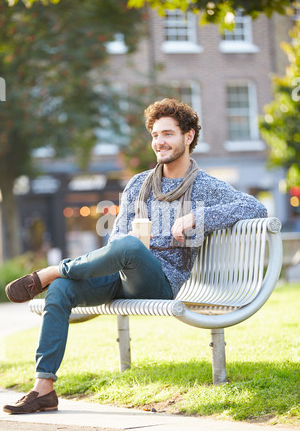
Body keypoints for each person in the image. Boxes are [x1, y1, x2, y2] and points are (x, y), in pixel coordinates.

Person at [3, 98, 267, 414]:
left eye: (167, 134)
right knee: (63, 289)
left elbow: (255, 207)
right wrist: (120, 252)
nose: (159, 142)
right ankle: (43, 388)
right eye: (155, 135)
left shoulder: (206, 187)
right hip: (121, 274)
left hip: (163, 281)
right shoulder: (139, 184)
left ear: (189, 136)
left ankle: (51, 272)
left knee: (127, 247)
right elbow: (116, 239)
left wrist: (198, 216)